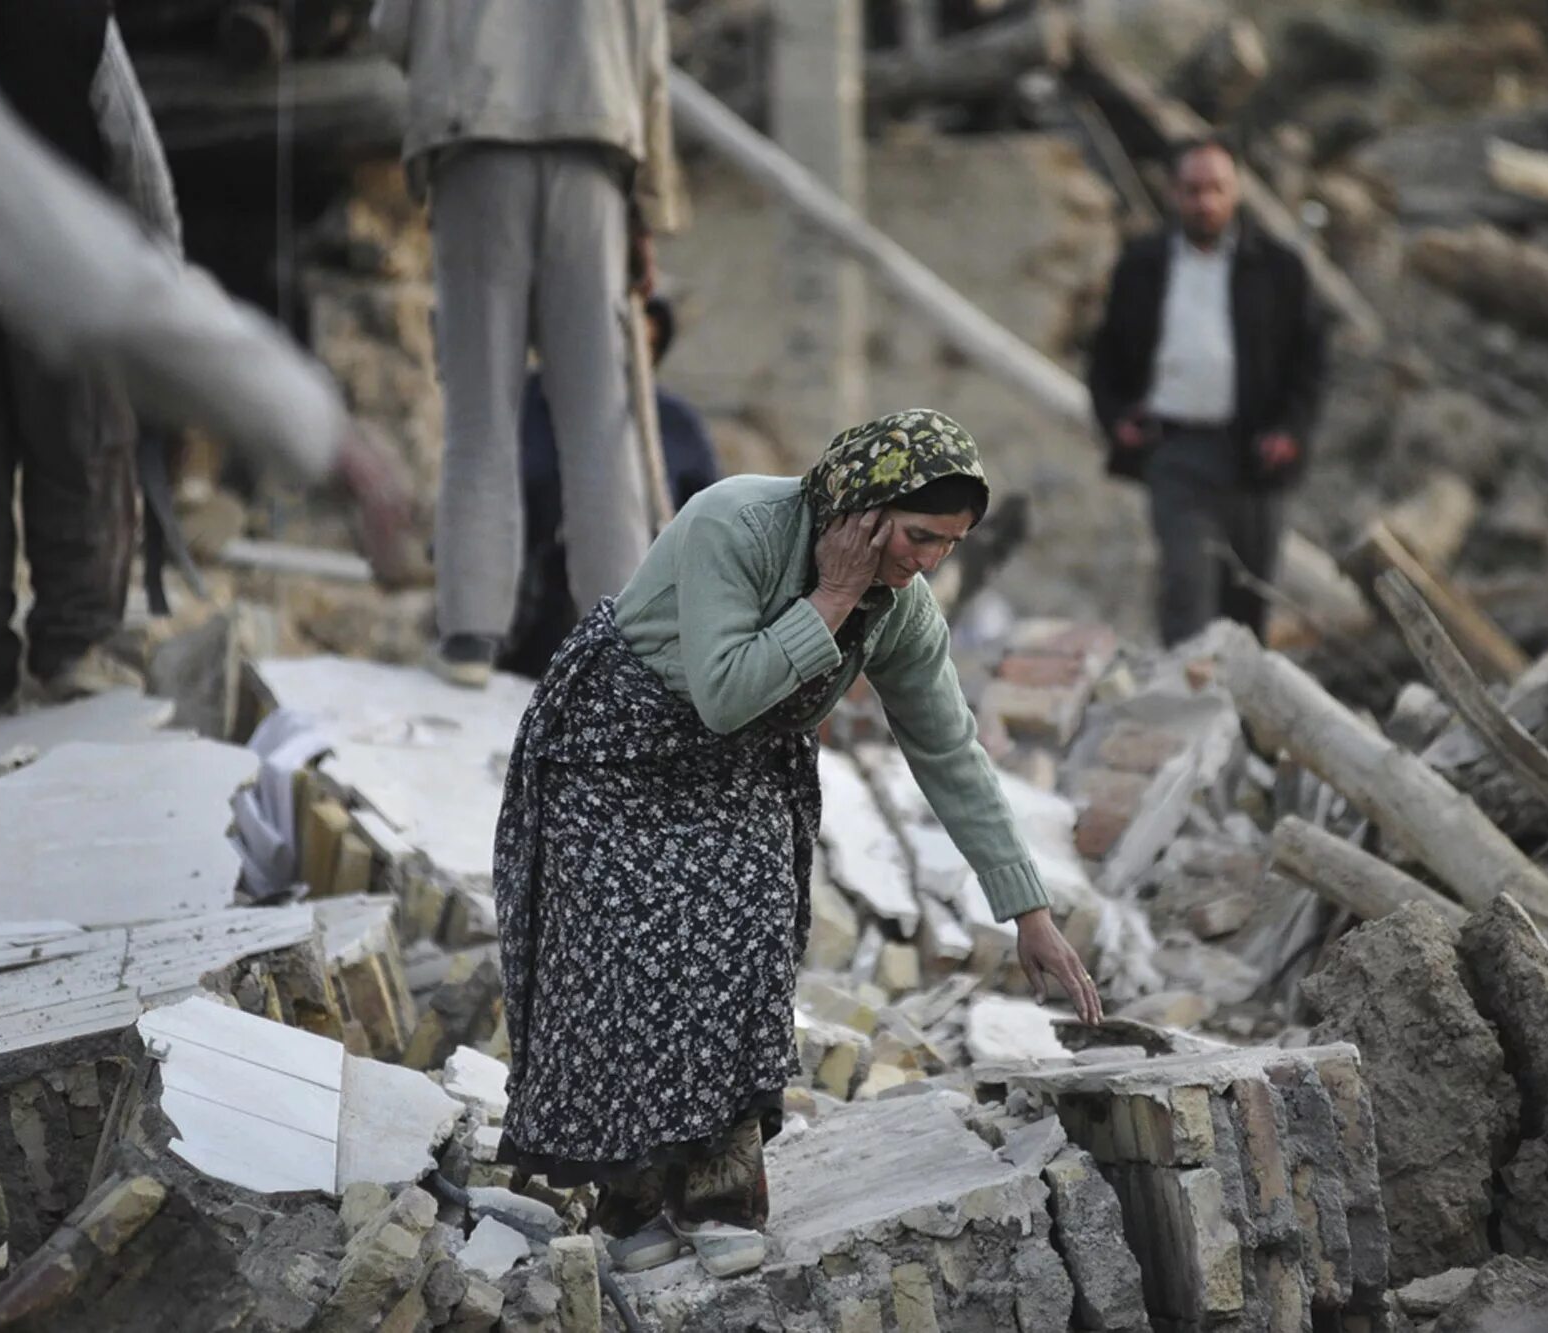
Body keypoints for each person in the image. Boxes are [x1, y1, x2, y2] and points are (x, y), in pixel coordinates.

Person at [0, 0, 411, 1158]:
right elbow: (117, 186)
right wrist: (297, 409)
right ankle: (65, 674)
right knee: (70, 483)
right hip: (21, 283)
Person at [492, 408, 1103, 1278]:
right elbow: (725, 692)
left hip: (739, 762)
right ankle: (629, 1201)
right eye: (919, 535)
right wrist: (831, 598)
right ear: (862, 504)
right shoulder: (734, 525)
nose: (928, 561)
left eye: (950, 545)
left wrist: (1027, 910)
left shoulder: (903, 609)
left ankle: (716, 1195)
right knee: (624, 960)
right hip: (615, 745)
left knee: (747, 938)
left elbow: (949, 750)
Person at [369, 0, 687, 688]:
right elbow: (649, 59)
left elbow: (390, 27)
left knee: (480, 412)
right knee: (601, 426)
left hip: (474, 140)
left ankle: (469, 639)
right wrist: (651, 208)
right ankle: (625, 648)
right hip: (594, 150)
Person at [0, 1, 184, 720]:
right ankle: (75, 663)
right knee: (82, 470)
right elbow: (134, 154)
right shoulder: (78, 15)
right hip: (60, 278)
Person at [1087, 136, 1327, 648]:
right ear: (1174, 193)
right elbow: (1105, 355)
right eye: (1193, 190)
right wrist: (1116, 420)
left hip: (1253, 458)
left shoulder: (1279, 269)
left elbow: (1310, 363)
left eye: (1216, 188)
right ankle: (1186, 712)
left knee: (1246, 604)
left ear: (1236, 190)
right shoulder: (1143, 265)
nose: (1206, 202)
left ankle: (1239, 720)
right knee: (1186, 590)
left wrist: (1292, 430)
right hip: (1174, 452)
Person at [500, 295, 721, 678]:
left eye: (642, 339)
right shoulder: (527, 404)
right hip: (529, 624)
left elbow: (708, 534)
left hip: (637, 629)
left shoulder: (675, 424)